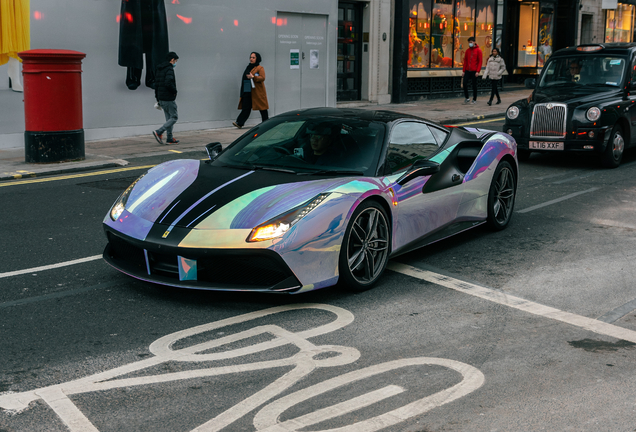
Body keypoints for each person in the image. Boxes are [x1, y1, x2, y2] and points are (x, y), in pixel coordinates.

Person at [233, 52, 269, 129]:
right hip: (247, 90)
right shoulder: (248, 67)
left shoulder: (260, 68)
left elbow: (262, 78)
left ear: (257, 59)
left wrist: (253, 77)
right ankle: (239, 123)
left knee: (262, 108)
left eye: (253, 57)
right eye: (250, 57)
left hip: (257, 92)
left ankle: (266, 122)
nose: (251, 59)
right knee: (246, 107)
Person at [152, 51, 179, 145]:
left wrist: (157, 98)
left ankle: (170, 138)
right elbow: (168, 83)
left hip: (161, 97)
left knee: (169, 119)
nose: (175, 62)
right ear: (172, 60)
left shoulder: (160, 69)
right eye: (175, 60)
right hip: (168, 97)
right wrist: (174, 91)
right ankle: (159, 132)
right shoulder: (169, 69)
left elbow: (157, 84)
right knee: (174, 117)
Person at [462, 36, 483, 104]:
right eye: (469, 42)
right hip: (468, 70)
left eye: (471, 42)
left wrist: (478, 71)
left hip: (474, 70)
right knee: (464, 83)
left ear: (474, 42)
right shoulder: (467, 51)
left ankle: (474, 99)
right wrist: (463, 70)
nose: (470, 44)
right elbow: (465, 61)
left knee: (474, 85)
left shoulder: (478, 50)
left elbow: (480, 61)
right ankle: (467, 97)